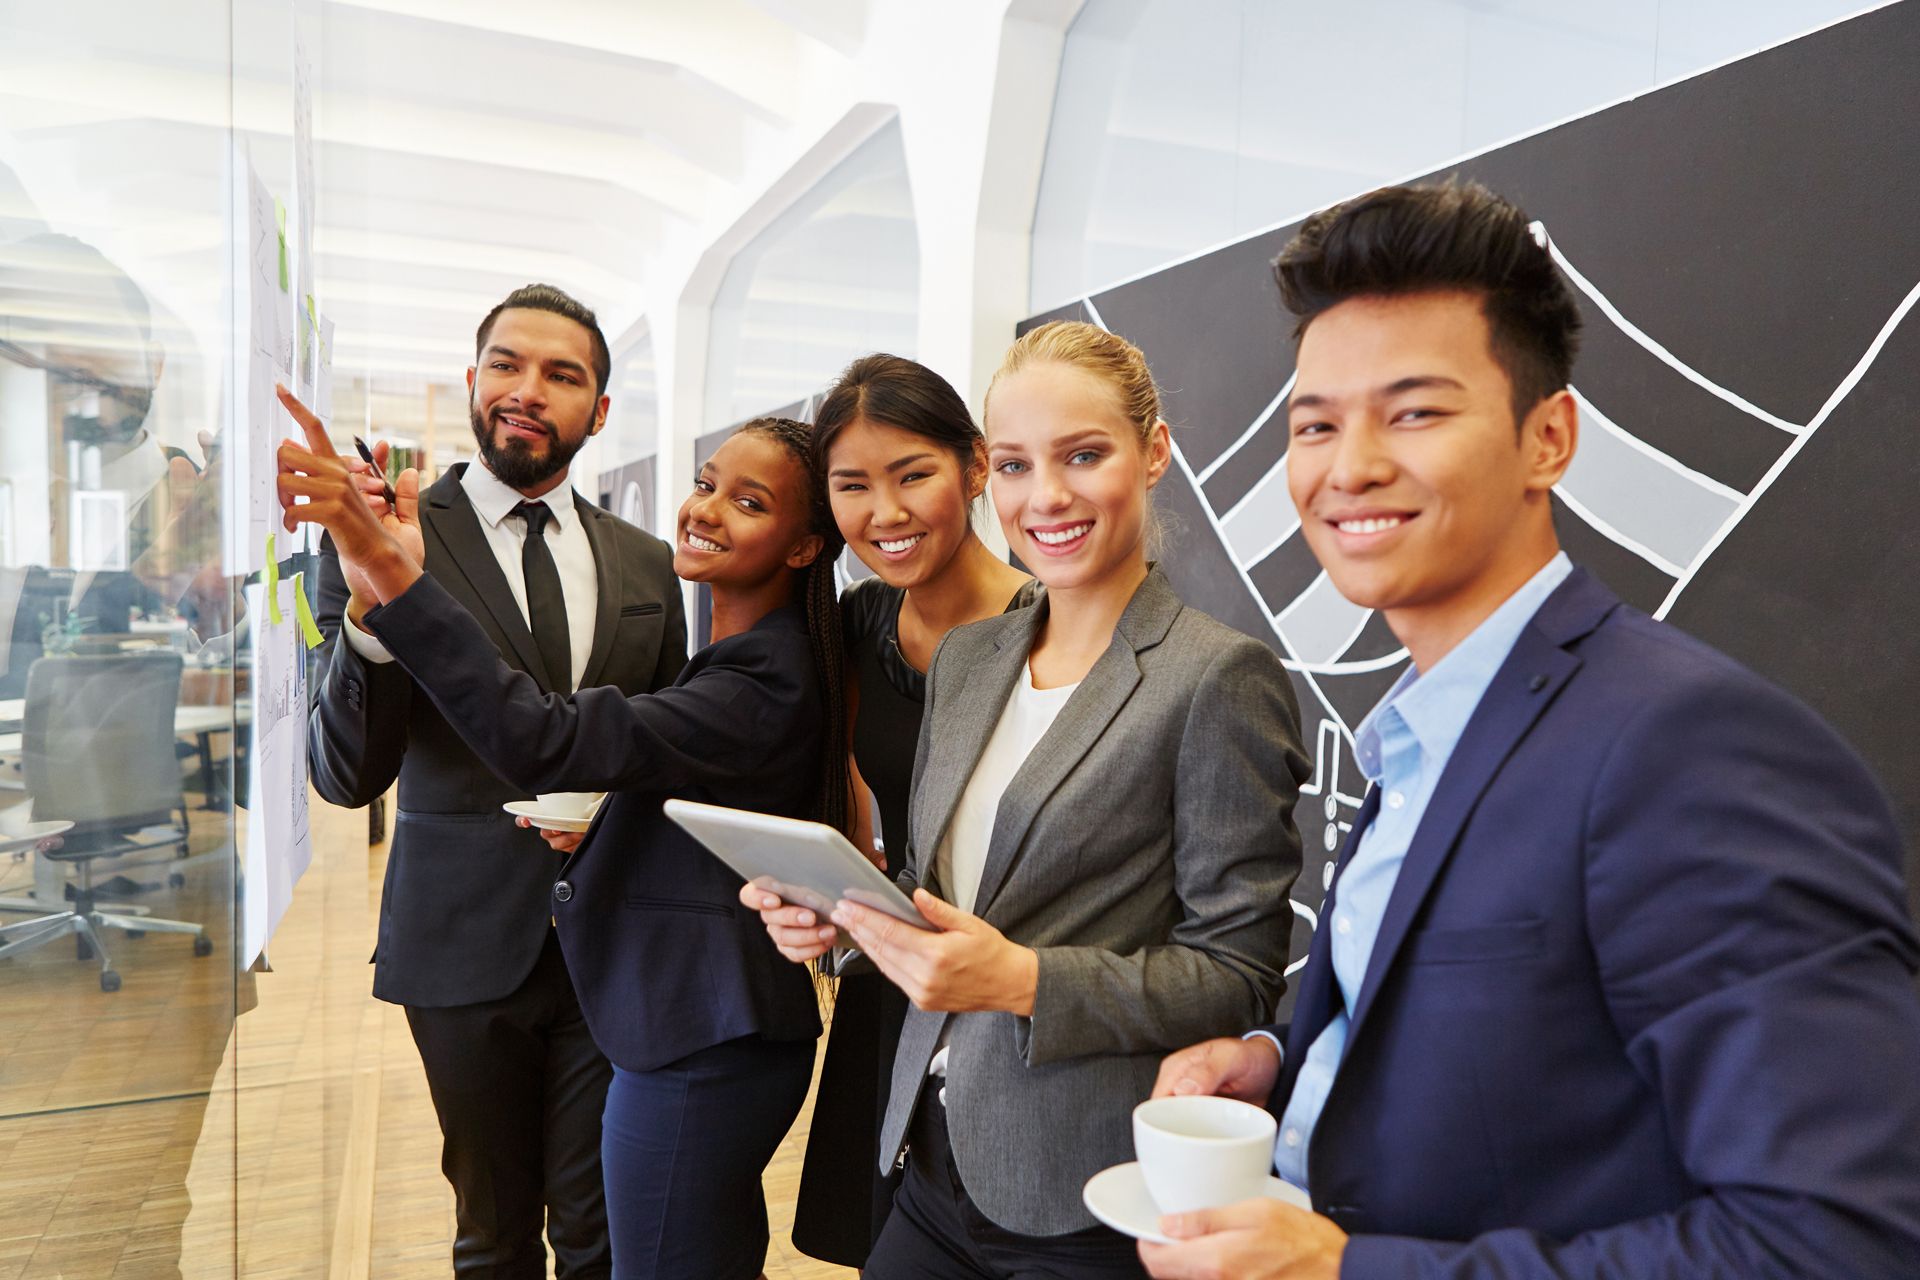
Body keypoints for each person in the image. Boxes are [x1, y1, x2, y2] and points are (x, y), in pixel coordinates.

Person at [1144, 181, 1920, 1279]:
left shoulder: (1687, 746)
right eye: (1316, 423)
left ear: (1548, 436)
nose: (1348, 464)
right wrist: (1281, 1054)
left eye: (1414, 411)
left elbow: (1839, 1237)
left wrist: (1344, 1272)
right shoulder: (1427, 723)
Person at [750, 321, 1310, 1277]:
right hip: (927, 1155)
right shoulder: (972, 659)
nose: (1044, 497)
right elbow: (938, 896)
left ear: (1155, 450)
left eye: (1083, 455)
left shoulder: (1216, 677)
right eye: (1013, 465)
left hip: (1084, 1188)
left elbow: (1236, 974)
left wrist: (1019, 982)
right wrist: (845, 921)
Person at [284, 398, 847, 1279]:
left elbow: (543, 738)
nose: (704, 508)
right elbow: (688, 789)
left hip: (697, 1030)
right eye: (706, 484)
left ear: (808, 544)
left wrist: (398, 584)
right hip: (650, 1009)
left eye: (749, 502)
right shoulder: (747, 659)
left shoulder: (762, 672)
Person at [304, 284, 685, 1279]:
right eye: (508, 365)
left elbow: (666, 749)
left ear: (598, 411)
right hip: (463, 941)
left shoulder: (649, 565)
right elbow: (346, 773)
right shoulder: (378, 533)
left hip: (615, 935)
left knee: (603, 1226)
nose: (529, 390)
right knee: (493, 1229)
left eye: (563, 375)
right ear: (473, 382)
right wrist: (378, 600)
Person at [789, 353, 1036, 1267]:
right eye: (852, 486)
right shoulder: (856, 626)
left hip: (1016, 999)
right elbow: (857, 819)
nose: (883, 515)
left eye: (913, 475)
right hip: (893, 986)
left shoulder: (1048, 625)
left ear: (975, 467)